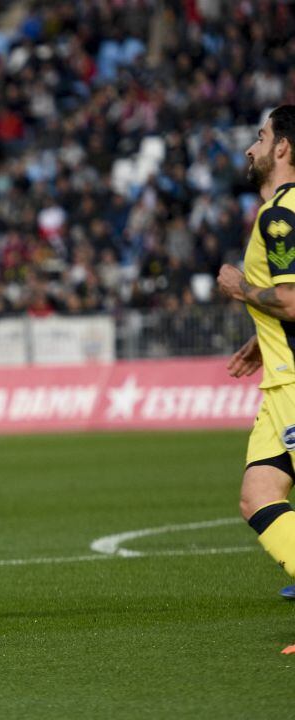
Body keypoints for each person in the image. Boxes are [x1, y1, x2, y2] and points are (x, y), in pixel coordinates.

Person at [216, 105, 295, 654]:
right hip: (279, 380)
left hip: (294, 386)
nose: (251, 147)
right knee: (257, 495)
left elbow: (291, 297)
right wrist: (259, 333)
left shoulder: (280, 216)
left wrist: (243, 291)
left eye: (261, 136)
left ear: (284, 148)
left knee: (262, 494)